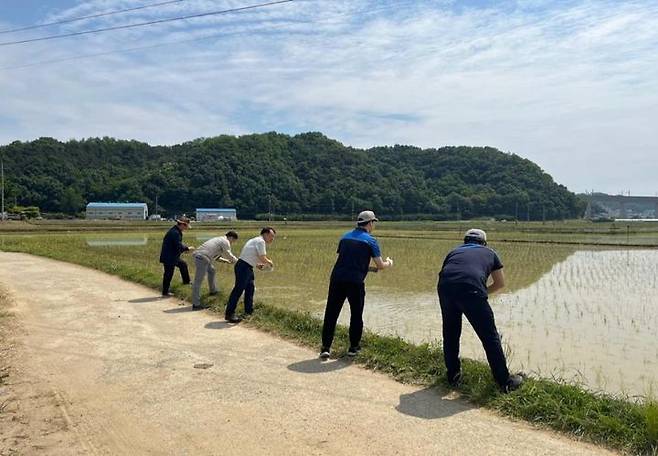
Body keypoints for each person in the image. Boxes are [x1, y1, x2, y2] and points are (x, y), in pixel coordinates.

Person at [437, 228, 524, 393]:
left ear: (465, 241)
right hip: (472, 290)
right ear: (484, 243)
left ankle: (453, 375)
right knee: (489, 336)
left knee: (450, 333)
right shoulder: (490, 253)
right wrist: (481, 294)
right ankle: (504, 381)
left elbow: (448, 273)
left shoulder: (453, 251)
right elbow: (500, 283)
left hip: (445, 288)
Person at [319, 210, 393, 359]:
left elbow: (347, 261)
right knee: (356, 314)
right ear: (370, 223)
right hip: (355, 282)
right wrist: (388, 263)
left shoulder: (345, 237)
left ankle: (325, 348)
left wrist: (369, 269)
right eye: (373, 223)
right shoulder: (370, 241)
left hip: (337, 279)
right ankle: (353, 347)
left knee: (331, 313)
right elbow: (380, 265)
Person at [224, 227, 276, 323]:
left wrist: (257, 265)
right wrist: (270, 263)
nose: (272, 239)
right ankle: (229, 314)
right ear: (265, 234)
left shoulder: (254, 240)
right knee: (238, 290)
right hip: (244, 267)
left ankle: (249, 311)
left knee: (250, 288)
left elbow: (250, 255)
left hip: (246, 267)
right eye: (271, 236)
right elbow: (262, 257)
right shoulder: (261, 241)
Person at [190, 231, 239, 310]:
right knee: (198, 281)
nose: (232, 243)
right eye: (233, 241)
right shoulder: (225, 241)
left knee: (212, 270)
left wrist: (226, 261)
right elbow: (229, 254)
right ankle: (196, 304)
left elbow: (216, 257)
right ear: (231, 237)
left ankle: (213, 290)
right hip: (202, 258)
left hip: (203, 257)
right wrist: (238, 262)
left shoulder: (219, 240)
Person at [159, 216, 194, 297]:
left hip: (172, 256)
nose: (186, 228)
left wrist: (184, 249)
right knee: (168, 274)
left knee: (183, 265)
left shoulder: (175, 231)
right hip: (169, 257)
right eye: (186, 226)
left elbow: (177, 245)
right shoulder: (175, 233)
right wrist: (187, 248)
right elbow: (178, 245)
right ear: (182, 225)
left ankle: (186, 282)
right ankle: (165, 292)